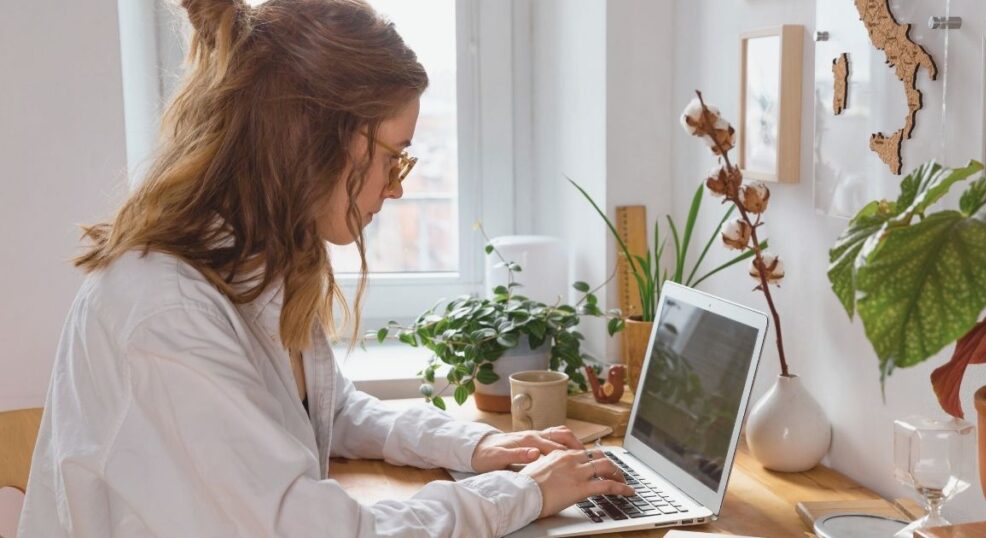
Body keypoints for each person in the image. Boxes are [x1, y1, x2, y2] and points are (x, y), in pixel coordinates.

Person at [17, 0, 633, 536]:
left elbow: (327, 412)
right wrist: (523, 494)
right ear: (311, 138)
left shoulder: (262, 263)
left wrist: (480, 445)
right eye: (394, 158)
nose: (395, 190)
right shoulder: (164, 316)